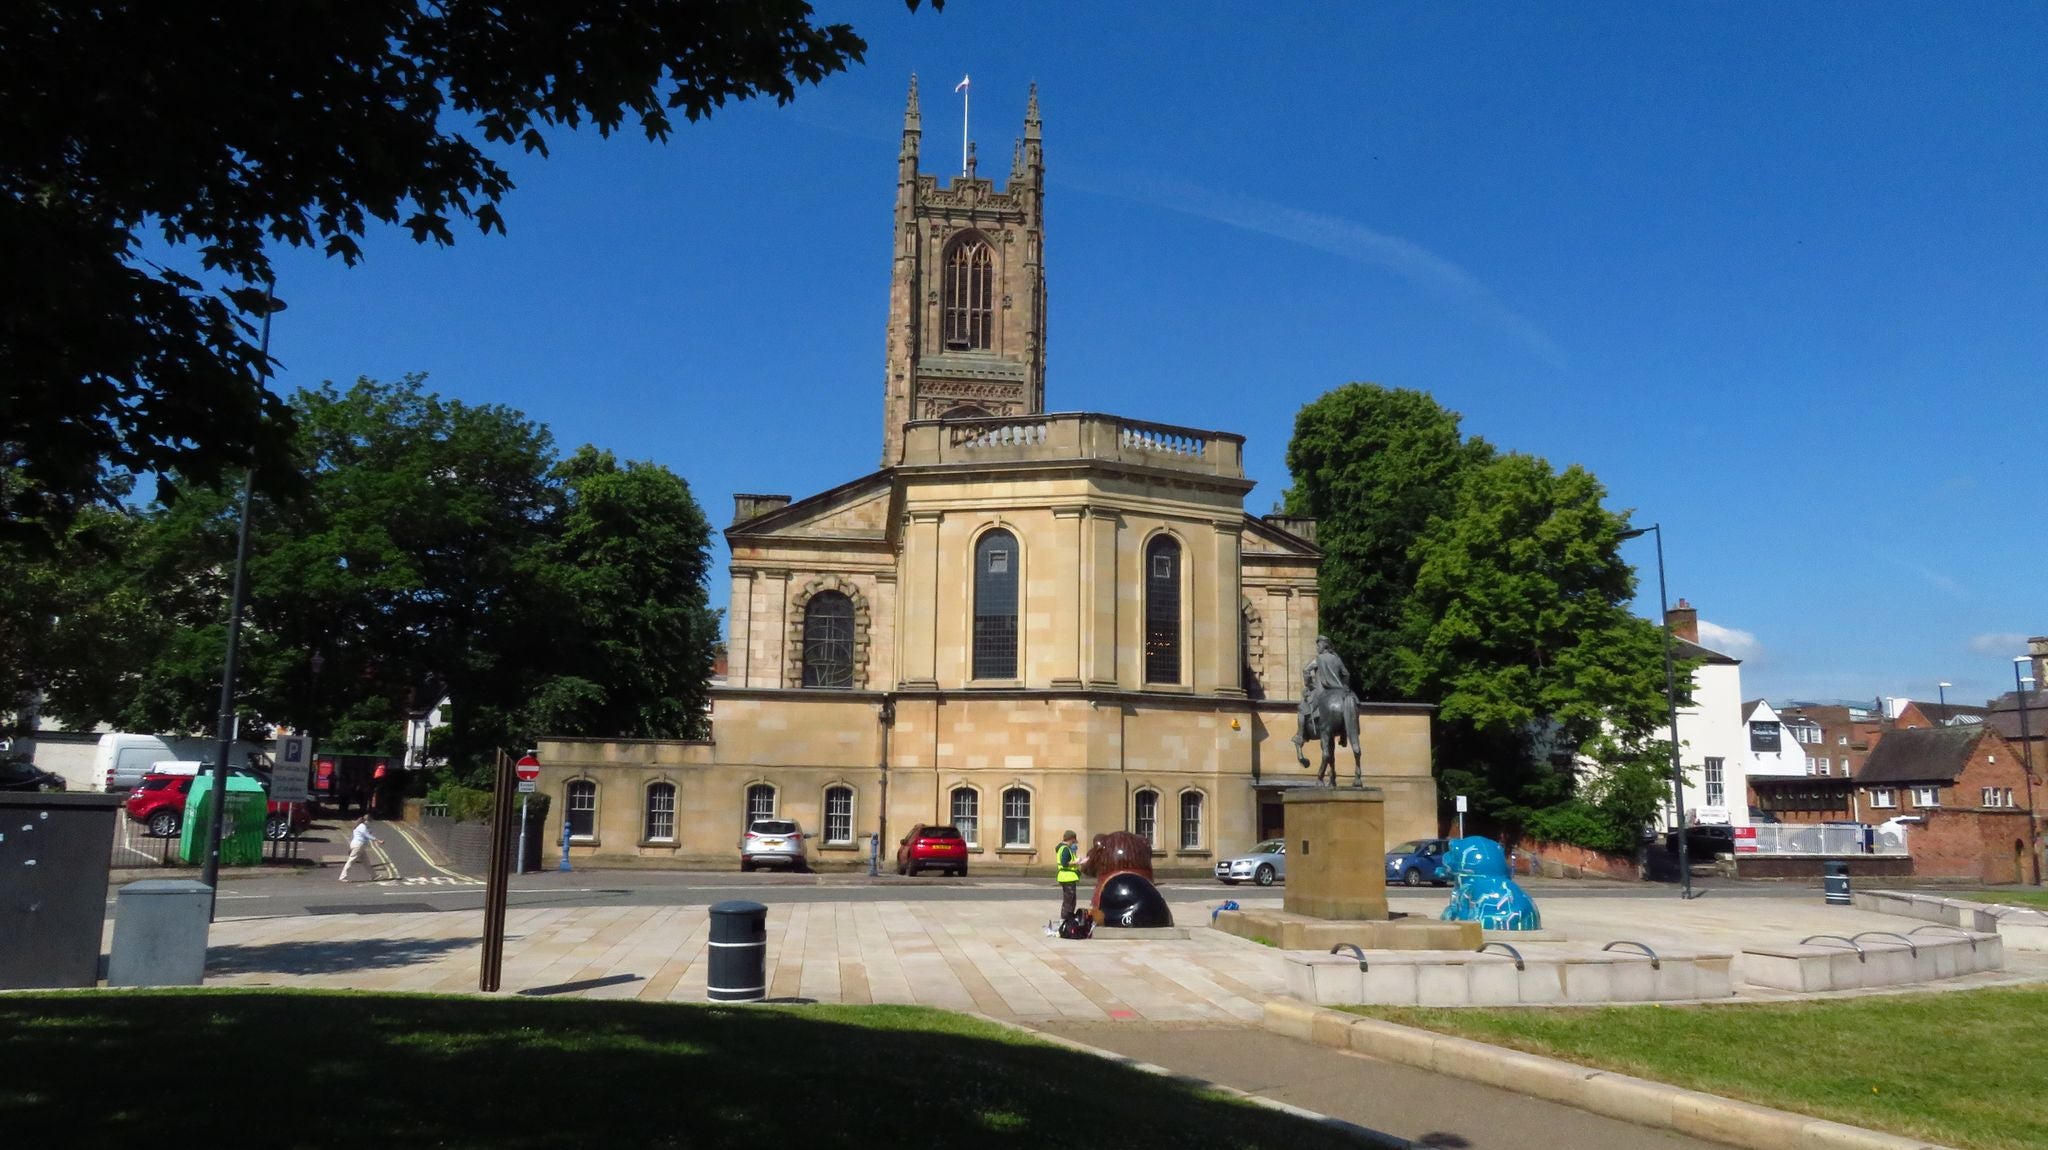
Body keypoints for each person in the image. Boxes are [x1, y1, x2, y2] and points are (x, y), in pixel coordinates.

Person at [339, 814, 383, 882]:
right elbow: (367, 835)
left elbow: (367, 833)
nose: (370, 822)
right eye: (370, 821)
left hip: (359, 846)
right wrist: (378, 840)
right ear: (366, 820)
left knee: (366, 862)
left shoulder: (361, 826)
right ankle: (342, 877)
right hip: (358, 846)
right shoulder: (362, 826)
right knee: (351, 861)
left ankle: (374, 876)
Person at [1054, 829, 1081, 921]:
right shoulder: (1065, 849)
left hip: (1065, 876)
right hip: (1068, 877)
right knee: (1070, 901)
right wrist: (1076, 861)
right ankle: (1066, 920)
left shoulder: (1062, 848)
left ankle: (1066, 918)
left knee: (1068, 900)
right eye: (1073, 841)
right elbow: (1065, 863)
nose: (1074, 844)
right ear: (1071, 839)